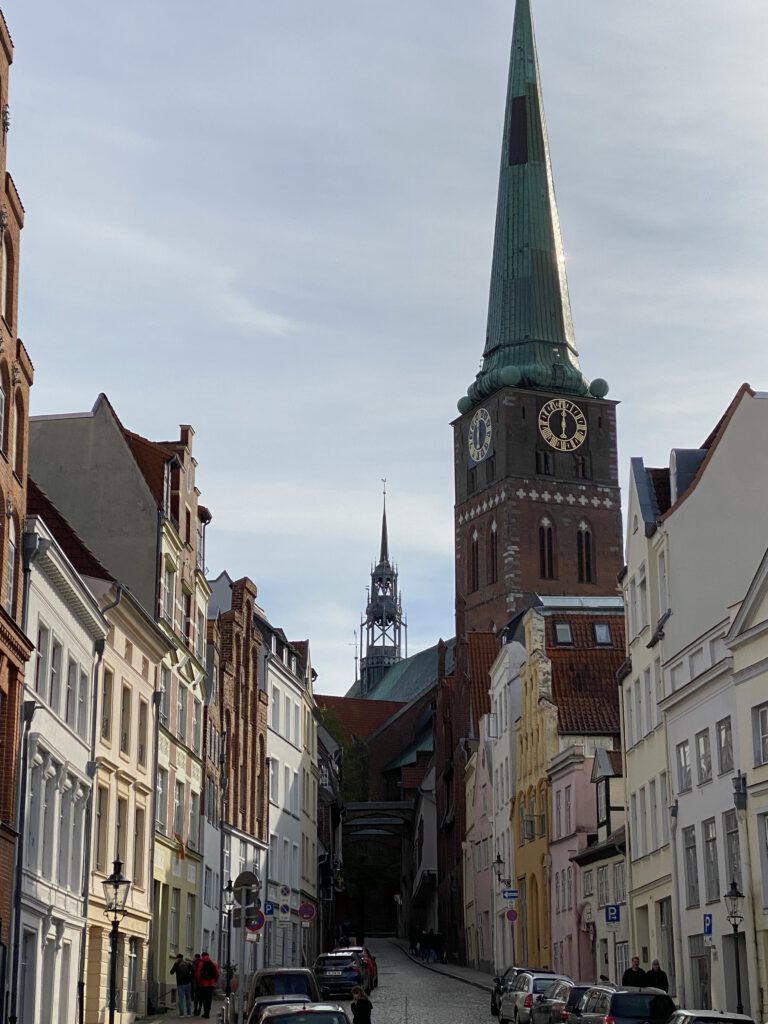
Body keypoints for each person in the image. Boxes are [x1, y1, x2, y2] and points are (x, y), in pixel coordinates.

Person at [195, 951, 221, 1019]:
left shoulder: (201, 963)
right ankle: (207, 1013)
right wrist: (214, 980)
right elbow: (218, 973)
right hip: (211, 984)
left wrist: (199, 982)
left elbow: (198, 974)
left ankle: (205, 1012)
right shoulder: (213, 962)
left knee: (203, 999)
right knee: (209, 999)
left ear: (202, 956)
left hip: (203, 984)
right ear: (208, 955)